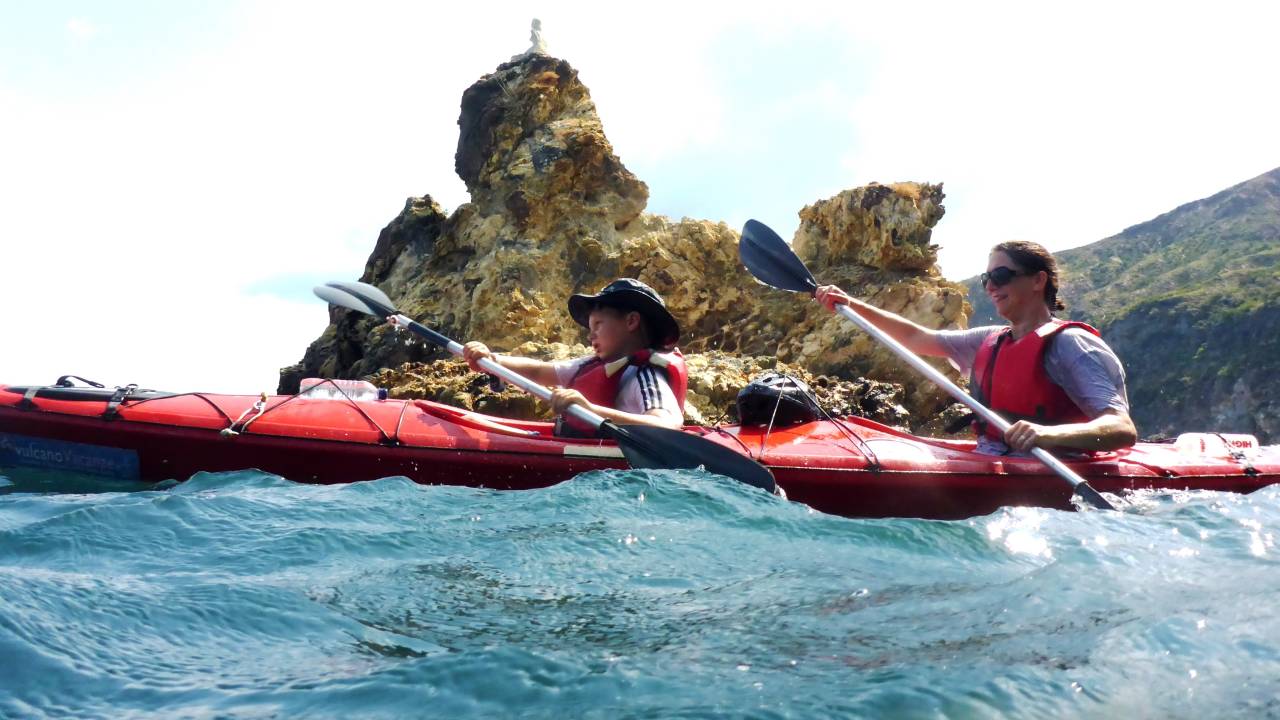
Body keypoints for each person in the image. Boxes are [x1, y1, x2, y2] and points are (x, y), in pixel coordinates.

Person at [814, 241, 1137, 455]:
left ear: (1038, 281)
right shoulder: (990, 339)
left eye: (1001, 275)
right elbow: (916, 338)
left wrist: (1046, 435)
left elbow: (1121, 428)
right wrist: (850, 303)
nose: (991, 286)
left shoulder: (1071, 345)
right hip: (995, 456)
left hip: (1060, 465)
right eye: (987, 278)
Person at [459, 278, 688, 435]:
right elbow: (539, 371)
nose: (591, 335)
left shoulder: (646, 376)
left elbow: (666, 425)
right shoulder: (592, 365)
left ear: (631, 322)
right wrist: (492, 361)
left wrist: (591, 410)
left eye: (598, 324)